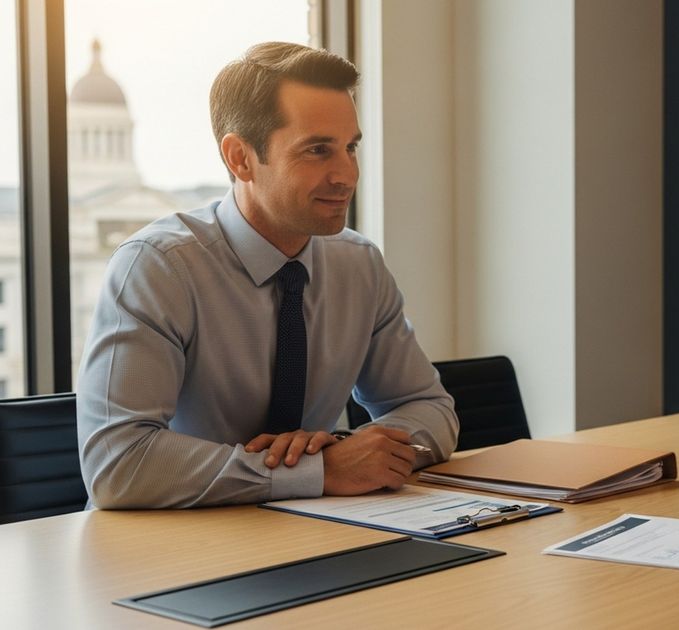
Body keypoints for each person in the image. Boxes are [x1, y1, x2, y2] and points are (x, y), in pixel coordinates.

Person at [77, 42, 458, 509]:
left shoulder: (358, 264)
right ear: (240, 158)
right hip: (172, 550)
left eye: (350, 147)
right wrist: (313, 471)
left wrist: (355, 451)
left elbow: (432, 409)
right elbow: (118, 464)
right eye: (318, 150)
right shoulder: (159, 267)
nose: (346, 174)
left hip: (318, 533)